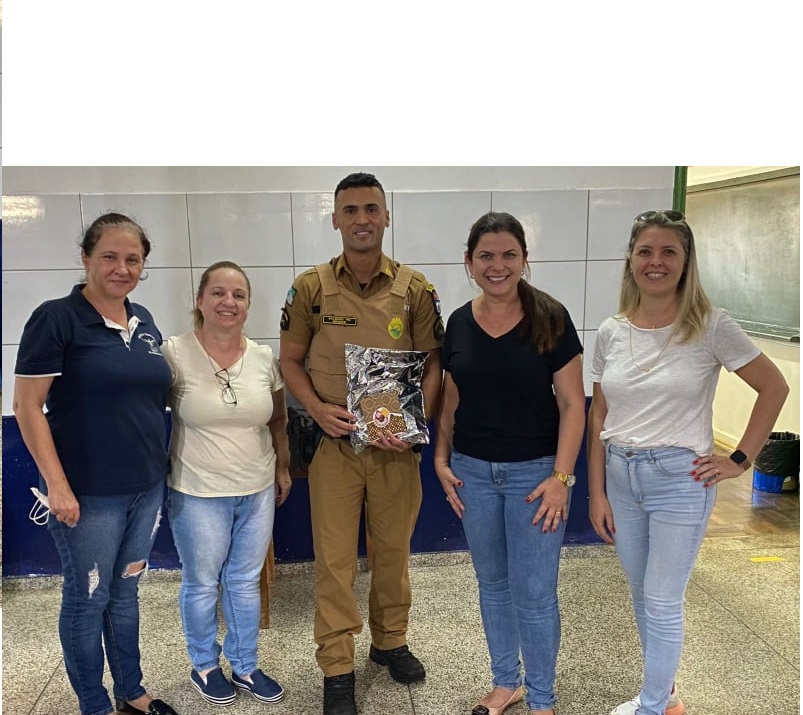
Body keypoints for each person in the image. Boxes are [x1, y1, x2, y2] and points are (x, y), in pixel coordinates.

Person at [587, 210, 789, 715]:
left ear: (685, 261)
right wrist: (596, 492)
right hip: (620, 475)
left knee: (662, 599)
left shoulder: (711, 325)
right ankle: (667, 694)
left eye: (668, 252)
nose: (655, 262)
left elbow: (774, 386)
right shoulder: (611, 330)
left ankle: (653, 706)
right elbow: (599, 415)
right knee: (642, 594)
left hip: (679, 479)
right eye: (645, 251)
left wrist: (740, 458)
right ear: (631, 259)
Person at [279, 172, 444, 715]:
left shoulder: (415, 290)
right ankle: (337, 667)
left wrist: (413, 424)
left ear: (386, 216)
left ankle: (390, 641)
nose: (362, 219)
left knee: (393, 553)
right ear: (335, 219)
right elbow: (290, 361)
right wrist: (316, 408)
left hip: (396, 448)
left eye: (371, 208)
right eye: (350, 210)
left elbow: (433, 364)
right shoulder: (311, 287)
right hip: (336, 447)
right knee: (334, 562)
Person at [12, 213, 179, 715]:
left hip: (145, 488)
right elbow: (27, 407)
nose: (121, 268)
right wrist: (57, 486)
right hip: (87, 494)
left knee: (125, 592)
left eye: (133, 259)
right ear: (85, 258)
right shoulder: (56, 318)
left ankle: (132, 692)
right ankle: (94, 704)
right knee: (88, 598)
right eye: (109, 256)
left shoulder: (143, 320)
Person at [434, 212, 585, 715]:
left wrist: (561, 477)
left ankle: (542, 698)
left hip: (536, 477)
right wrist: (441, 458)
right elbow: (451, 398)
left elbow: (573, 405)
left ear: (524, 259)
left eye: (508, 255)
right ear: (469, 261)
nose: (497, 266)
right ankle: (506, 682)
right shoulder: (458, 322)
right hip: (473, 475)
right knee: (493, 586)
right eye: (486, 256)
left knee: (535, 594)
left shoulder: (551, 318)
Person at [163, 261, 292, 707]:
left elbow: (278, 419)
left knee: (243, 581)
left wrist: (282, 468)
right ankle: (204, 664)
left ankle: (245, 665)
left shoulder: (263, 357)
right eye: (218, 293)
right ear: (199, 300)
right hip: (197, 491)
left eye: (238, 295)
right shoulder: (173, 354)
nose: (228, 302)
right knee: (202, 583)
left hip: (256, 489)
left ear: (248, 304)